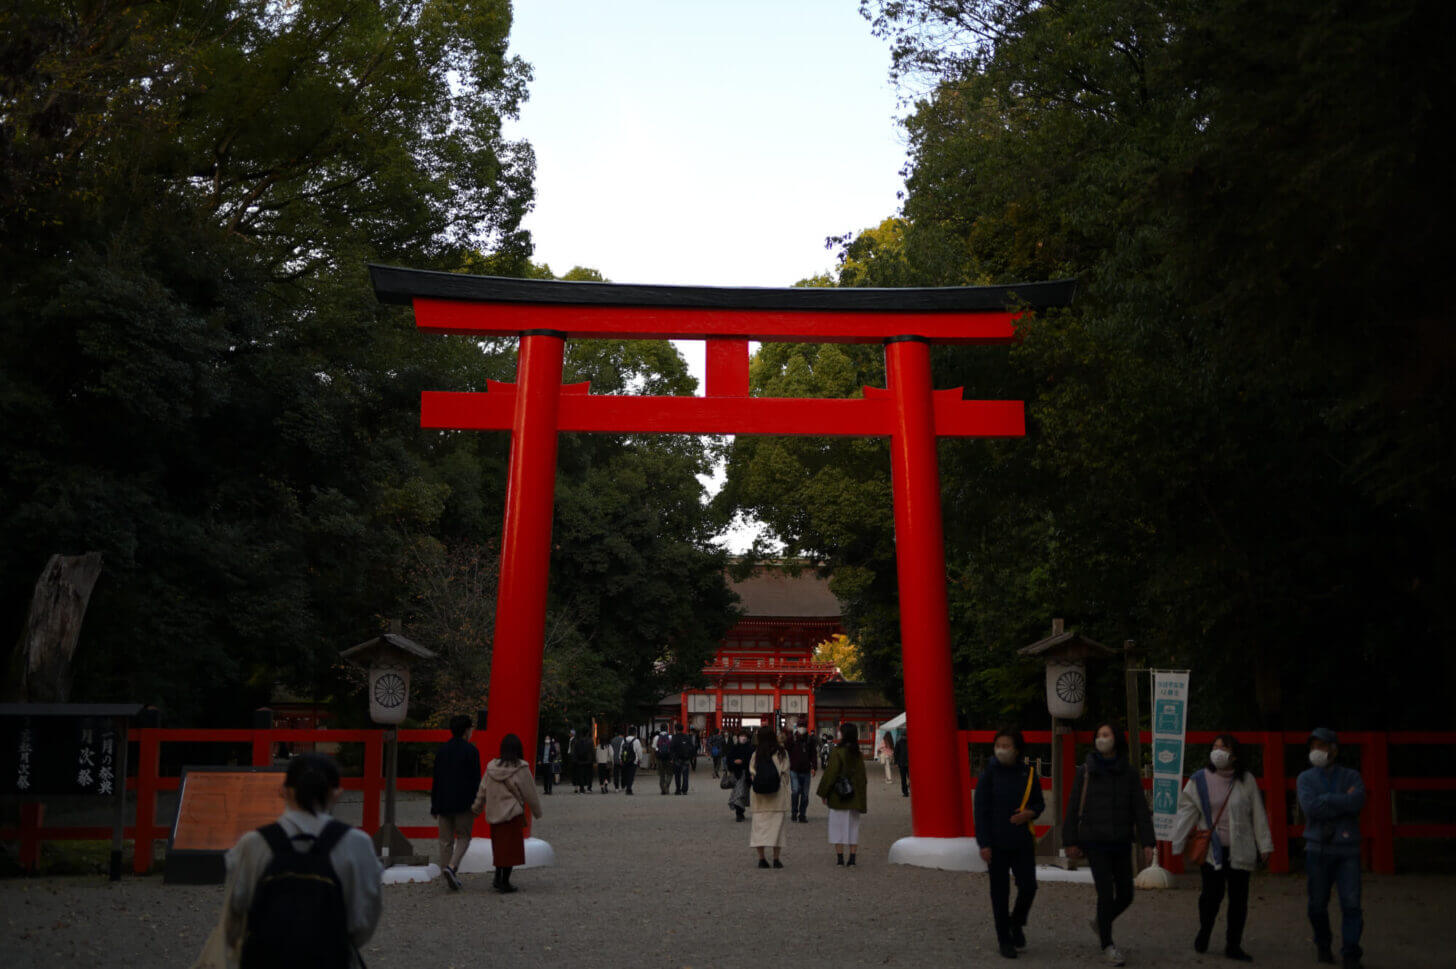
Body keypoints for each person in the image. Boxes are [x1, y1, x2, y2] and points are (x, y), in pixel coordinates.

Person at [218, 753, 381, 969]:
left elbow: (235, 914)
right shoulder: (356, 843)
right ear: (336, 794)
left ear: (284, 791)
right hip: (330, 958)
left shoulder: (253, 844)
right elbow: (363, 920)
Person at [1170, 733, 1273, 962]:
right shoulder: (1199, 780)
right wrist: (1176, 842)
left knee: (1239, 899)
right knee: (1210, 896)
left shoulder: (1246, 780)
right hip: (1212, 850)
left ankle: (1233, 944)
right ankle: (1204, 931)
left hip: (1241, 849)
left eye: (1223, 747)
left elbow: (1258, 813)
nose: (1218, 751)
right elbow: (1187, 809)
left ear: (1234, 755)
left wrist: (1264, 844)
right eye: (1215, 746)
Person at [1064, 721, 1155, 967]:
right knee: (1105, 893)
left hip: (1121, 840)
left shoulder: (1129, 772)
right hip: (1094, 841)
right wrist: (1069, 841)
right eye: (1098, 735)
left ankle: (1101, 922)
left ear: (1116, 739)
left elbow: (1140, 809)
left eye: (1106, 734)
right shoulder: (1086, 771)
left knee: (1126, 894)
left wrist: (1148, 842)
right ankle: (1108, 943)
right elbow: (1073, 807)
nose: (1101, 738)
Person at [1297, 727, 1365, 969]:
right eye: (1314, 746)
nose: (1317, 751)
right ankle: (1323, 943)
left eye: (1322, 746)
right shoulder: (1305, 778)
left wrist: (1326, 799)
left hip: (1347, 848)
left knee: (1351, 902)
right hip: (1318, 848)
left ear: (1334, 749)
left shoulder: (1351, 776)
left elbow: (1358, 801)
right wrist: (1340, 800)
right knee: (1317, 904)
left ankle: (1351, 952)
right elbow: (1310, 808)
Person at [975, 728, 1045, 959]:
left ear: (1017, 749)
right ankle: (1004, 938)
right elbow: (981, 811)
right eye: (999, 745)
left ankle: (1016, 922)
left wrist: (1029, 814)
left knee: (1029, 886)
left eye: (1007, 745)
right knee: (1000, 893)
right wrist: (983, 843)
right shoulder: (988, 775)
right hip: (995, 842)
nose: (1002, 749)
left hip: (1022, 840)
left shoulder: (1028, 773)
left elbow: (1039, 803)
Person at [471, 732, 543, 894]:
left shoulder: (491, 767)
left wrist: (476, 808)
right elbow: (530, 792)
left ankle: (497, 876)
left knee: (499, 848)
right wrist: (537, 811)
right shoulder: (521, 768)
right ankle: (505, 881)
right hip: (512, 814)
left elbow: (482, 790)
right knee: (510, 850)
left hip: (494, 814)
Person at [429, 714, 482, 891]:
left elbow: (436, 778)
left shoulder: (442, 750)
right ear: (467, 730)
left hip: (443, 800)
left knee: (445, 840)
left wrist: (434, 804)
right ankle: (452, 867)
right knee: (464, 837)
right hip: (464, 802)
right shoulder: (471, 751)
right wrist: (478, 803)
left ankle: (447, 872)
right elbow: (476, 780)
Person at [817, 721, 868, 866]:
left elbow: (830, 774)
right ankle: (852, 858)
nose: (838, 733)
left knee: (837, 827)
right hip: (855, 796)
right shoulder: (858, 754)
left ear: (844, 734)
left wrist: (823, 793)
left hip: (839, 795)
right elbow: (862, 778)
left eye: (840, 731)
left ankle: (840, 858)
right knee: (853, 827)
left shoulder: (838, 752)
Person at [748, 725, 791, 868]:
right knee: (777, 829)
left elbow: (752, 773)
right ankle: (776, 859)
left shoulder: (756, 753)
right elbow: (785, 773)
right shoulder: (781, 753)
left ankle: (761, 859)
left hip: (760, 799)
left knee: (759, 828)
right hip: (777, 797)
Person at [787, 718, 818, 823]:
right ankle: (794, 812)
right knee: (795, 792)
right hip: (794, 770)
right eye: (800, 726)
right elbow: (786, 748)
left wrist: (814, 767)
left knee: (805, 794)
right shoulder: (792, 738)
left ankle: (803, 814)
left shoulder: (810, 740)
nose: (802, 728)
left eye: (804, 726)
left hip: (806, 770)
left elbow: (813, 754)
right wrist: (792, 735)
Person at [726, 731, 754, 821]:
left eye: (745, 736)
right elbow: (728, 759)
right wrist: (734, 762)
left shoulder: (751, 748)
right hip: (737, 773)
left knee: (744, 793)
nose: (743, 738)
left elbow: (753, 760)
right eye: (741, 736)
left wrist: (744, 762)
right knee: (740, 792)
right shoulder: (734, 748)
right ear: (738, 737)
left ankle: (740, 811)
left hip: (747, 773)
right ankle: (739, 813)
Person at [671, 721, 694, 794]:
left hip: (677, 759)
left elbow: (671, 748)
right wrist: (691, 756)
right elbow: (692, 747)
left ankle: (678, 790)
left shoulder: (674, 737)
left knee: (677, 775)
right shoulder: (687, 737)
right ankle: (685, 790)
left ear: (676, 729)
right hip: (686, 758)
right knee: (685, 775)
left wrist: (672, 758)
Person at [570, 728, 595, 794]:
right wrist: (593, 759)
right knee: (589, 774)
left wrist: (575, 760)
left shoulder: (577, 741)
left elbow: (575, 751)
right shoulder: (590, 741)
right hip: (588, 761)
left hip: (580, 761)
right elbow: (592, 751)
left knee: (580, 775)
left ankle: (582, 789)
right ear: (587, 733)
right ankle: (589, 788)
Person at [619, 728, 643, 794]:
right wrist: (640, 759)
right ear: (635, 733)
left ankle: (627, 786)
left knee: (626, 774)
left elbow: (621, 750)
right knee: (631, 775)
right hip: (633, 761)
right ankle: (629, 788)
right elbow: (639, 751)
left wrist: (620, 759)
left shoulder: (624, 740)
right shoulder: (636, 741)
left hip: (625, 760)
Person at [655, 727, 674, 795]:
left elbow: (654, 748)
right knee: (670, 774)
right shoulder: (670, 736)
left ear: (660, 729)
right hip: (669, 758)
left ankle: (663, 789)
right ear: (667, 729)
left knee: (662, 775)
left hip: (660, 759)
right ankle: (666, 786)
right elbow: (672, 748)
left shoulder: (656, 737)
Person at [894, 729, 910, 797]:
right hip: (902, 763)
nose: (905, 737)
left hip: (909, 763)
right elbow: (896, 753)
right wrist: (896, 762)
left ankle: (908, 788)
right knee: (903, 779)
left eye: (905, 736)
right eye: (904, 736)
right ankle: (905, 792)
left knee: (910, 778)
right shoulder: (899, 743)